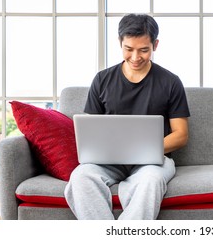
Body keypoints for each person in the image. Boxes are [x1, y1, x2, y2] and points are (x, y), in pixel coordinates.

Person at [64, 13, 190, 220]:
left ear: (155, 45)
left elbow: (181, 135)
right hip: (108, 162)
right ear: (120, 43)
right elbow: (91, 131)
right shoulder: (102, 80)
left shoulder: (170, 82)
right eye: (128, 49)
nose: (135, 57)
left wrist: (142, 151)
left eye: (144, 50)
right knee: (80, 177)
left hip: (152, 162)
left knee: (150, 181)